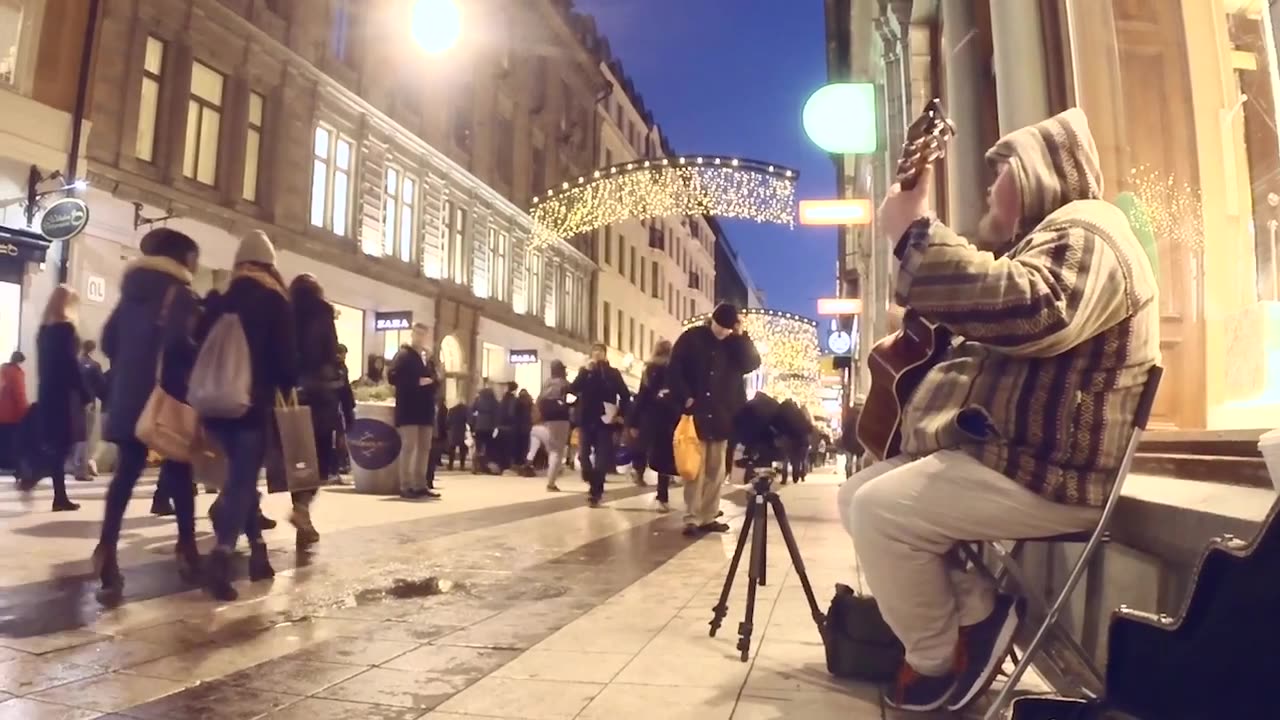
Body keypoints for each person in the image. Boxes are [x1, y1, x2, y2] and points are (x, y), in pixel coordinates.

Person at [837, 108, 1160, 712]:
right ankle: (977, 614)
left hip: (1053, 472)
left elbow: (1036, 310)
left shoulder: (1090, 229)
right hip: (1020, 457)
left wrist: (915, 236)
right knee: (857, 496)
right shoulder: (1058, 236)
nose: (989, 187)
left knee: (882, 512)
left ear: (1037, 173)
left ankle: (935, 661)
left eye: (1002, 169)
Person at [94, 228, 204, 603]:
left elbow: (108, 340)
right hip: (165, 396)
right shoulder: (181, 293)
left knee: (126, 473)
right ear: (181, 258)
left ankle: (107, 548)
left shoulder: (130, 295)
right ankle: (187, 547)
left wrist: (132, 363)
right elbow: (180, 344)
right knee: (180, 469)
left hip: (128, 395)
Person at [199, 230, 298, 601]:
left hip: (213, 405)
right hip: (251, 404)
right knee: (241, 481)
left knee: (237, 482)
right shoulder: (275, 301)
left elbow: (200, 347)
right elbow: (287, 365)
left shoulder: (220, 300)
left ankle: (258, 551)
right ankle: (223, 553)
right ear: (270, 264)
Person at [666, 302, 761, 536]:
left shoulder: (734, 344)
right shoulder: (692, 338)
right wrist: (686, 398)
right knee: (694, 469)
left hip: (722, 414)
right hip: (696, 413)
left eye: (727, 328)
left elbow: (753, 363)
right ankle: (692, 517)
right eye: (719, 326)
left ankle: (708, 515)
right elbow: (674, 369)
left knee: (716, 470)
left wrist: (740, 337)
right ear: (712, 321)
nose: (722, 332)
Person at [289, 273, 344, 545]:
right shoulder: (323, 313)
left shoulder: (285, 311)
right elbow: (329, 352)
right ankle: (302, 510)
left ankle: (301, 512)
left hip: (291, 394)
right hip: (319, 394)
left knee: (298, 459)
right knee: (321, 457)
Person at [23, 286, 87, 511]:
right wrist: (84, 392)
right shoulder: (66, 329)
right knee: (65, 444)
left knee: (57, 445)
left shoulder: (42, 331)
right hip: (64, 394)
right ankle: (39, 472)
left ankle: (57, 494)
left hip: (47, 392)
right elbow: (71, 365)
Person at [569, 343, 631, 508]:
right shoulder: (585, 372)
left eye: (600, 351)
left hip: (605, 420)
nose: (597, 354)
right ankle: (591, 478)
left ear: (605, 354)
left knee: (601, 458)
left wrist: (620, 415)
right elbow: (573, 389)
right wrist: (585, 372)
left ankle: (595, 492)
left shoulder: (612, 373)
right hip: (586, 418)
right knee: (583, 455)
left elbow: (625, 395)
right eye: (594, 351)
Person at [388, 322, 441, 500]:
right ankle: (406, 485)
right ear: (412, 334)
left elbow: (434, 379)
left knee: (424, 447)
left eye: (423, 334)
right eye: (417, 334)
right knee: (409, 446)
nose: (420, 338)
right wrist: (415, 382)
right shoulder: (404, 355)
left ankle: (420, 484)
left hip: (425, 408)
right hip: (409, 407)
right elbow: (392, 377)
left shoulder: (427, 357)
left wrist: (434, 380)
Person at [627, 340, 679, 512]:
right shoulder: (674, 369)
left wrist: (634, 421)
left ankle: (638, 468)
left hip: (650, 416)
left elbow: (642, 395)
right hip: (669, 417)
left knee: (643, 445)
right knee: (664, 454)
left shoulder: (649, 369)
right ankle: (662, 496)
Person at [517, 360, 572, 491]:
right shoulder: (565, 384)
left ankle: (549, 479)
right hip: (561, 419)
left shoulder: (546, 384)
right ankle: (551, 482)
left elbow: (539, 401)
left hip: (547, 420)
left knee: (552, 449)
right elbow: (573, 399)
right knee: (557, 451)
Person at [70, 340, 107, 482]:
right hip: (88, 404)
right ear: (93, 350)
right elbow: (101, 387)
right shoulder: (94, 366)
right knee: (85, 437)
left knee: (75, 436)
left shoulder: (74, 364)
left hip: (72, 404)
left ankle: (73, 466)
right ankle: (81, 471)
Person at [0, 351, 29, 472]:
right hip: (12, 414)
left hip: (1, 413)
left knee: (2, 439)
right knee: (11, 440)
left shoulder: (2, 370)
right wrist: (26, 412)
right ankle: (9, 464)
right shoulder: (17, 373)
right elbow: (19, 394)